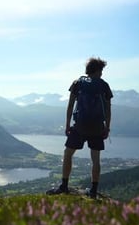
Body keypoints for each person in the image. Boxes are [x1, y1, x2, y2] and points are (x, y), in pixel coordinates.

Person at [47, 57, 113, 198]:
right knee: (95, 159)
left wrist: (67, 124)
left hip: (80, 126)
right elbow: (108, 109)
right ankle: (94, 191)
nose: (102, 73)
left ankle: (64, 186)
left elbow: (70, 106)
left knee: (68, 154)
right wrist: (107, 128)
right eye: (101, 70)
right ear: (97, 70)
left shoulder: (78, 83)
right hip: (97, 127)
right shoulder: (104, 86)